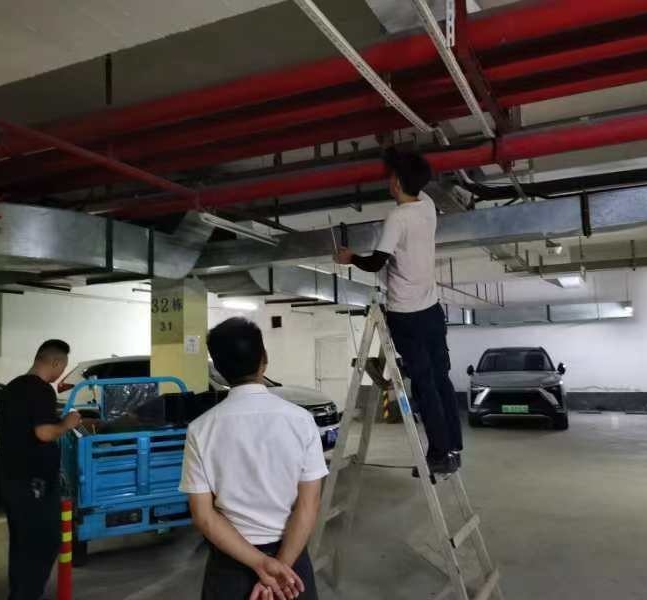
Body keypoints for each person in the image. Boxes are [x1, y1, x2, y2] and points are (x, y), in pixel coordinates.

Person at [334, 147, 462, 475]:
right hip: (432, 310)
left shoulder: (398, 217)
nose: (389, 181)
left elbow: (376, 262)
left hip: (406, 314)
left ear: (397, 182)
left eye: (391, 176)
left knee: (423, 383)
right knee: (440, 378)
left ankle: (438, 453)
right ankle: (453, 447)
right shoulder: (427, 206)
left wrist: (350, 258)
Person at [180, 318, 328, 600]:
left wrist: (260, 564)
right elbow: (309, 505)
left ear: (219, 368)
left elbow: (204, 516)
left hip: (230, 566)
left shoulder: (200, 429)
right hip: (291, 564)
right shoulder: (301, 420)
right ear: (264, 359)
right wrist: (279, 569)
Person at [0, 339, 82, 600]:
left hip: (12, 479)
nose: (61, 373)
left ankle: (19, 594)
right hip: (35, 484)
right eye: (62, 366)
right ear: (55, 362)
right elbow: (44, 432)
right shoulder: (41, 390)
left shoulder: (11, 388)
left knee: (21, 545)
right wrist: (68, 423)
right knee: (43, 543)